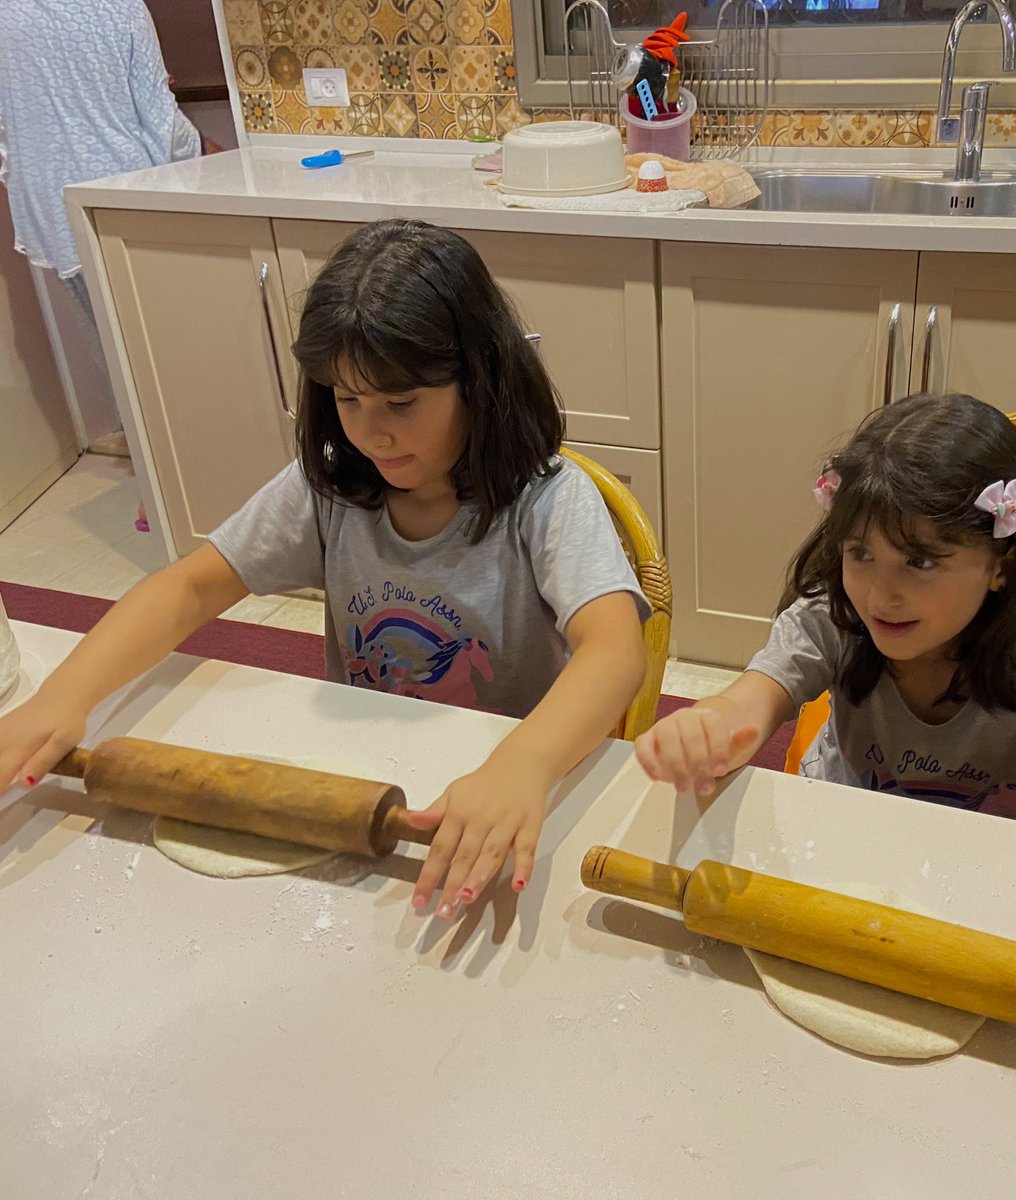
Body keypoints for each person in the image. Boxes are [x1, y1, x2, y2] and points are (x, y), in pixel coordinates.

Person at [0, 219, 649, 917]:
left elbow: (615, 652)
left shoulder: (548, 499)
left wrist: (524, 762)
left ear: (479, 380)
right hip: (357, 782)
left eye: (402, 403)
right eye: (347, 400)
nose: (372, 432)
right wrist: (62, 698)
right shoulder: (329, 486)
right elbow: (188, 588)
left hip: (497, 786)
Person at [635, 393, 1016, 899]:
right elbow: (747, 702)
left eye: (920, 562)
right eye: (860, 554)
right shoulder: (834, 615)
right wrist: (706, 729)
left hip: (988, 861)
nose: (880, 594)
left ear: (1001, 564)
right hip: (836, 835)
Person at [0, 0, 205, 456]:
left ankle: (148, 470)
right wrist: (210, 152)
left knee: (114, 349)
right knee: (161, 350)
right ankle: (177, 477)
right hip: (124, 200)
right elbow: (163, 126)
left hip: (50, 205)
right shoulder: (122, 9)